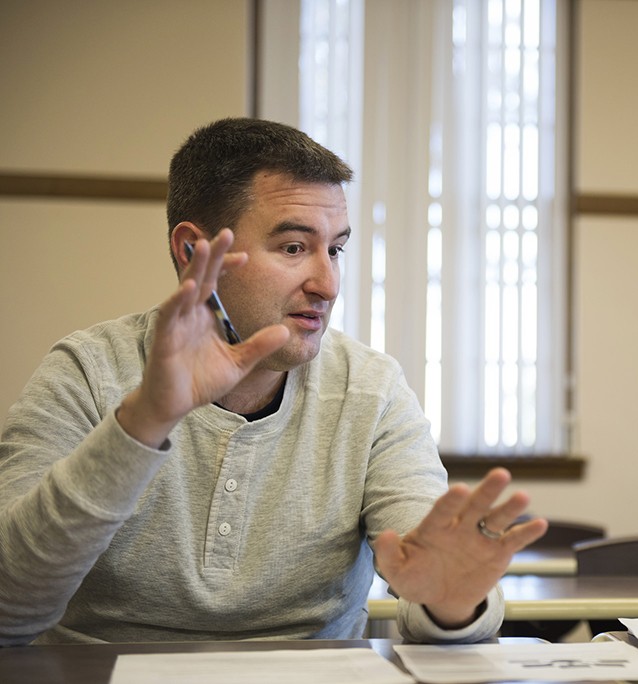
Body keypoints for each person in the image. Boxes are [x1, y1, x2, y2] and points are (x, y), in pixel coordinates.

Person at [0, 117, 547, 646]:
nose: (327, 284)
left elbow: (426, 554)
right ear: (193, 251)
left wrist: (451, 603)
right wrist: (145, 419)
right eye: (293, 248)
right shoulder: (86, 371)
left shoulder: (371, 388)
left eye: (335, 249)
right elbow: (9, 607)